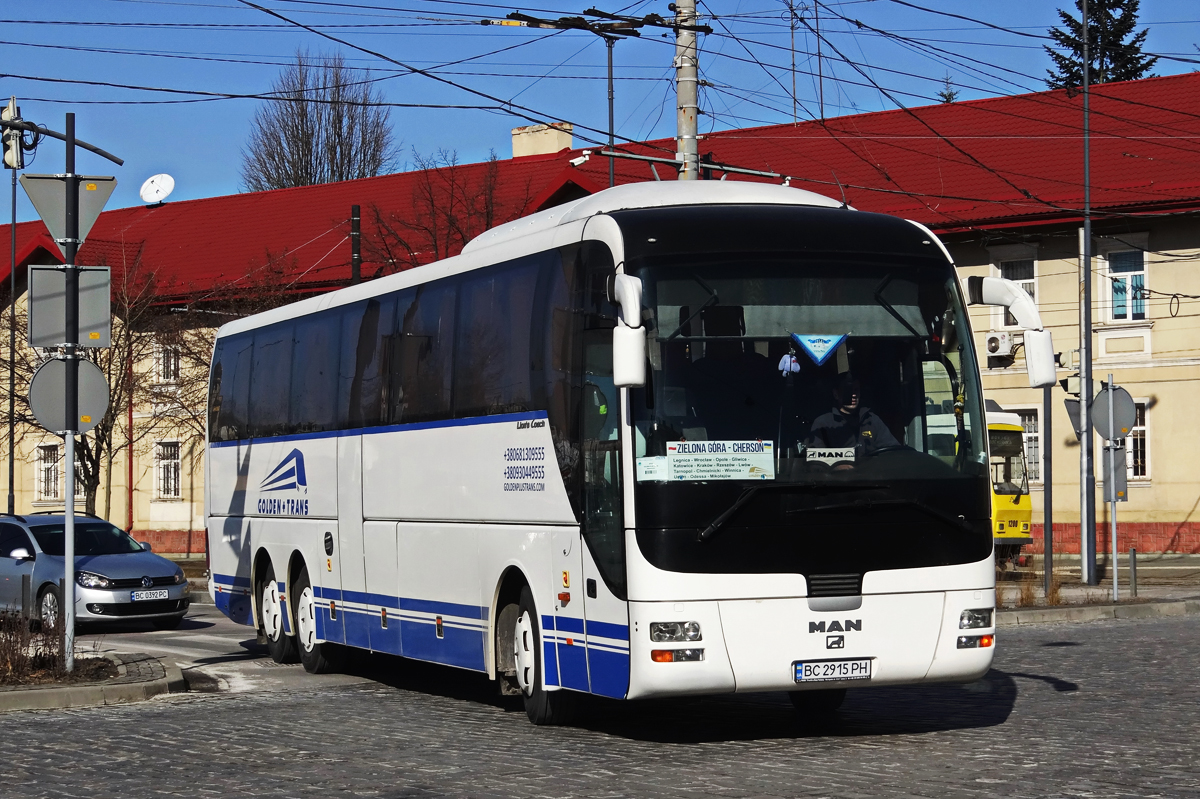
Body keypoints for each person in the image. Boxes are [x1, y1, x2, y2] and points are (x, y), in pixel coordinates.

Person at [806, 373, 899, 455]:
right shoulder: (823, 423)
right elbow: (816, 460)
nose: (853, 395)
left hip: (871, 473)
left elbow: (893, 451)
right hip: (838, 474)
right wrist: (838, 465)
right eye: (848, 391)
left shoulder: (872, 420)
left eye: (856, 390)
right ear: (836, 394)